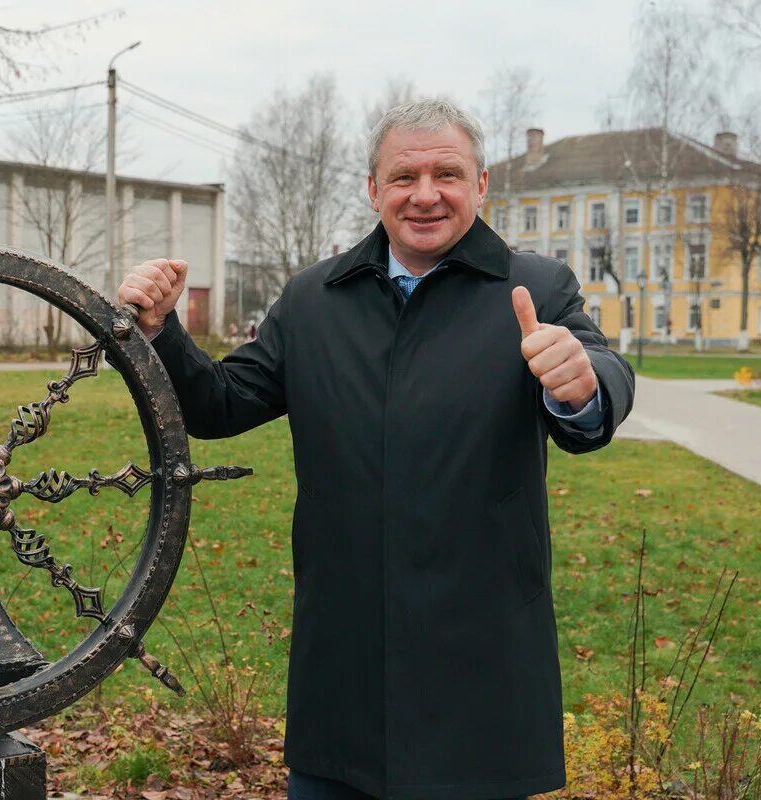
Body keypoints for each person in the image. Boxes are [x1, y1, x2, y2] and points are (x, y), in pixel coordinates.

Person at [118, 98, 634, 800]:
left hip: (480, 665)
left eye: (447, 174)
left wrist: (581, 384)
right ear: (373, 190)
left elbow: (601, 382)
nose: (425, 195)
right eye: (404, 176)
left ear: (481, 185)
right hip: (345, 666)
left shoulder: (535, 289)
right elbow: (219, 403)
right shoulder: (313, 300)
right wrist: (159, 332)